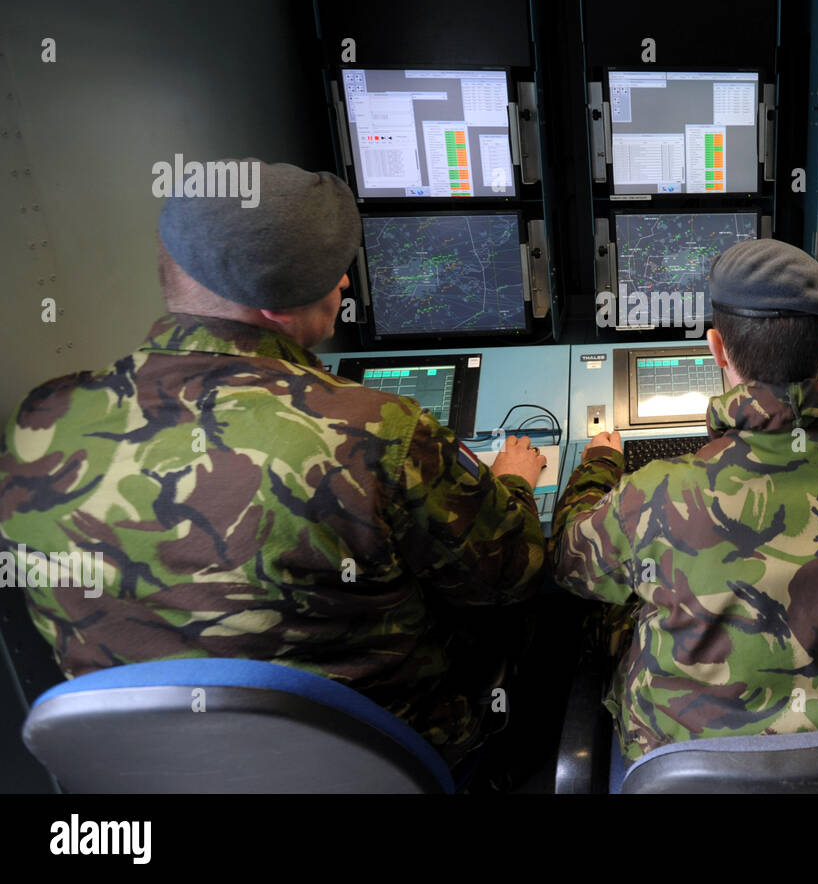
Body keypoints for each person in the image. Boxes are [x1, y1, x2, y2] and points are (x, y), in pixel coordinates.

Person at [0, 160, 547, 769]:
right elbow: (507, 576)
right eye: (334, 273)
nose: (344, 282)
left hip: (152, 772)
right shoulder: (373, 429)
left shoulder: (37, 422)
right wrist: (512, 483)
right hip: (378, 763)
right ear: (279, 310)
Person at [550, 239, 818, 774]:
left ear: (717, 349)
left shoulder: (653, 494)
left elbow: (568, 565)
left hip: (689, 781)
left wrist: (597, 465)